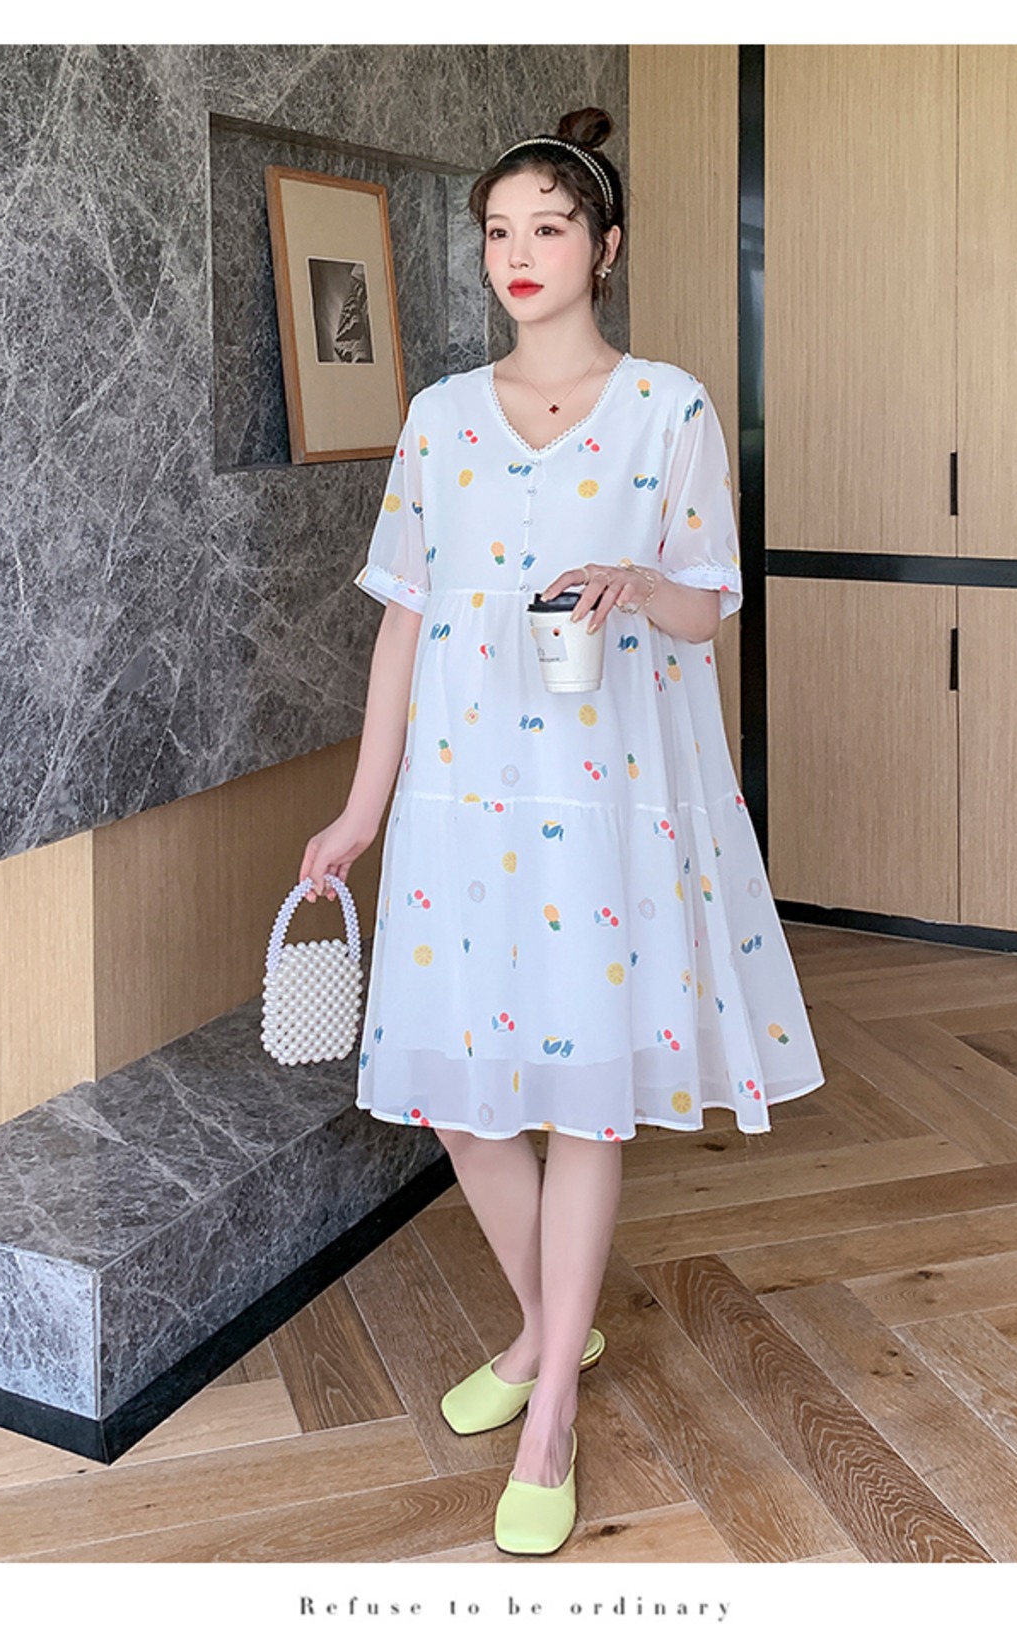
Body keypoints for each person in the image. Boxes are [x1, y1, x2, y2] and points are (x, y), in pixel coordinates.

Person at [299, 106, 825, 1556]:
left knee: (584, 1095)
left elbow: (706, 611)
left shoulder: (669, 408)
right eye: (498, 231)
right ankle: (548, 1325)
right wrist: (362, 807)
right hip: (461, 802)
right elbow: (404, 624)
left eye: (549, 226)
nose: (520, 253)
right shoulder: (438, 419)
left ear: (606, 246)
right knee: (467, 1096)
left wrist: (634, 584)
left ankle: (552, 1413)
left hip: (604, 807)